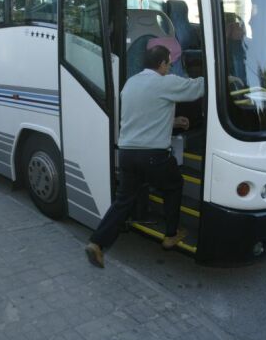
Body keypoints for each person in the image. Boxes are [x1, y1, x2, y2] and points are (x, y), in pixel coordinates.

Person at [85, 45, 204, 268]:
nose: (170, 67)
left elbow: (143, 115)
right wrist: (226, 77)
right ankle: (170, 234)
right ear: (161, 64)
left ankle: (96, 243)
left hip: (128, 153)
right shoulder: (164, 82)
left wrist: (174, 122)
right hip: (152, 154)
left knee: (123, 201)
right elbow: (197, 88)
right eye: (169, 63)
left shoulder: (131, 83)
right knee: (174, 185)